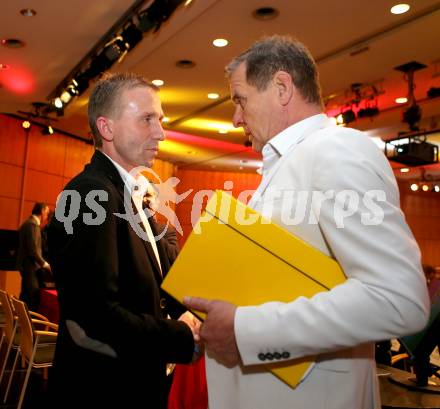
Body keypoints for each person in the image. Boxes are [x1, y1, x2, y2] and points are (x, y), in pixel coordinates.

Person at [184, 35, 430, 409]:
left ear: (282, 88)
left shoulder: (336, 150)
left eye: (240, 99)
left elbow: (398, 298)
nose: (235, 117)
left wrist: (244, 328)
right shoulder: (289, 163)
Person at [48, 72, 199, 409]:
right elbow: (96, 315)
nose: (160, 132)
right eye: (147, 119)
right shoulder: (91, 194)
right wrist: (180, 335)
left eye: (159, 119)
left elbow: (153, 285)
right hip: (103, 390)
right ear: (107, 128)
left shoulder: (129, 197)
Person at [16, 202, 50, 310]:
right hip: (30, 267)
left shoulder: (27, 223)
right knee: (32, 297)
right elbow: (33, 250)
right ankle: (27, 325)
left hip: (27, 267)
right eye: (47, 213)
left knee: (25, 297)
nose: (47, 216)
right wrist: (45, 264)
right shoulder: (32, 225)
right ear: (42, 212)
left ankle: (19, 324)